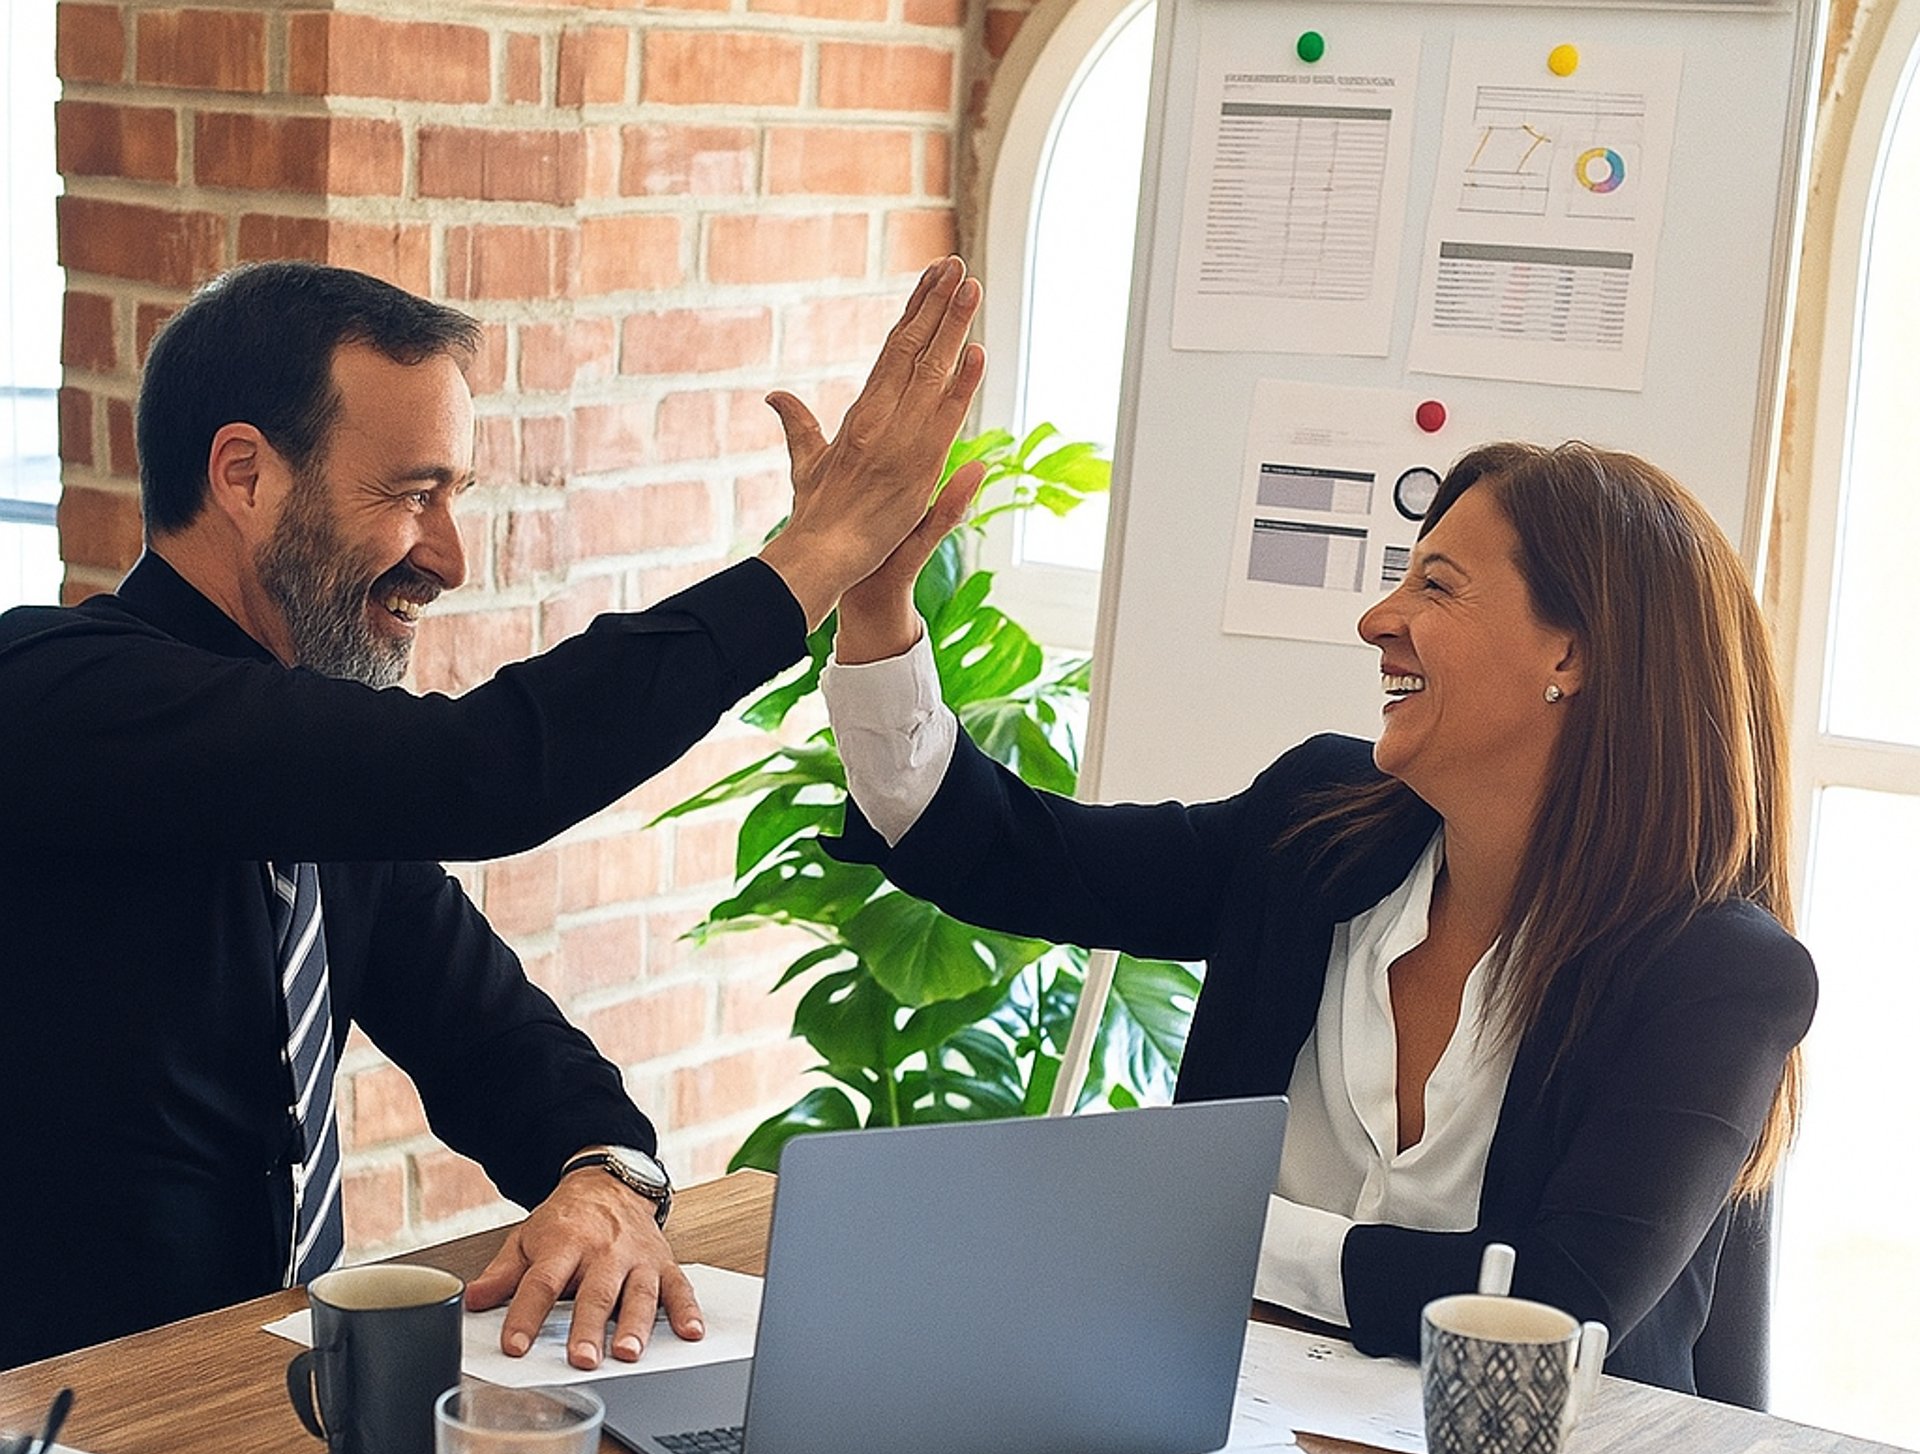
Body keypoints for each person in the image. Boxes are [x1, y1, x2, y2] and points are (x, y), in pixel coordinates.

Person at [0, 256, 985, 1372]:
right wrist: (810, 563)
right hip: (47, 1439)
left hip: (236, 1423)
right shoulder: (55, 691)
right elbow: (489, 771)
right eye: (413, 495)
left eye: (454, 497)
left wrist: (605, 1179)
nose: (450, 558)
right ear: (244, 474)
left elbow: (504, 1050)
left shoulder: (318, 784)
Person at [815, 440, 1817, 1392]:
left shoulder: (1718, 975)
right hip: (1218, 1444)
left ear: (1573, 654)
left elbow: (1558, 1309)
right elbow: (1017, 855)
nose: (1378, 618)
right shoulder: (1318, 825)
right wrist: (873, 608)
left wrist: (1212, 1230)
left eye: (1436, 584)